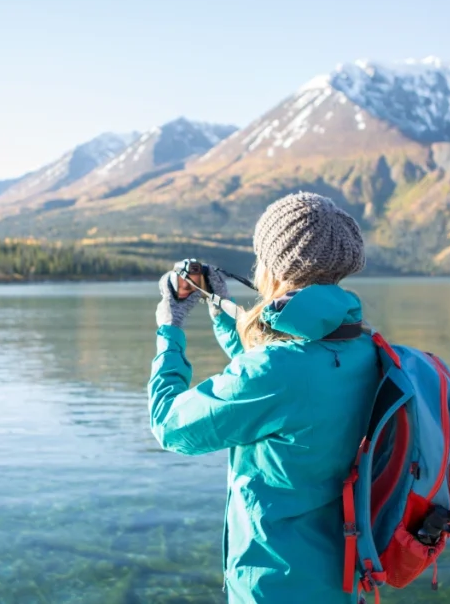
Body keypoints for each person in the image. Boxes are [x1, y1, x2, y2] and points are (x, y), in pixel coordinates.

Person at [148, 192, 382, 603]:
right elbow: (284, 389)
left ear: (275, 265)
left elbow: (170, 426)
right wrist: (221, 311)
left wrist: (170, 329)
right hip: (343, 582)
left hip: (274, 588)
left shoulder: (276, 372)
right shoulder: (366, 348)